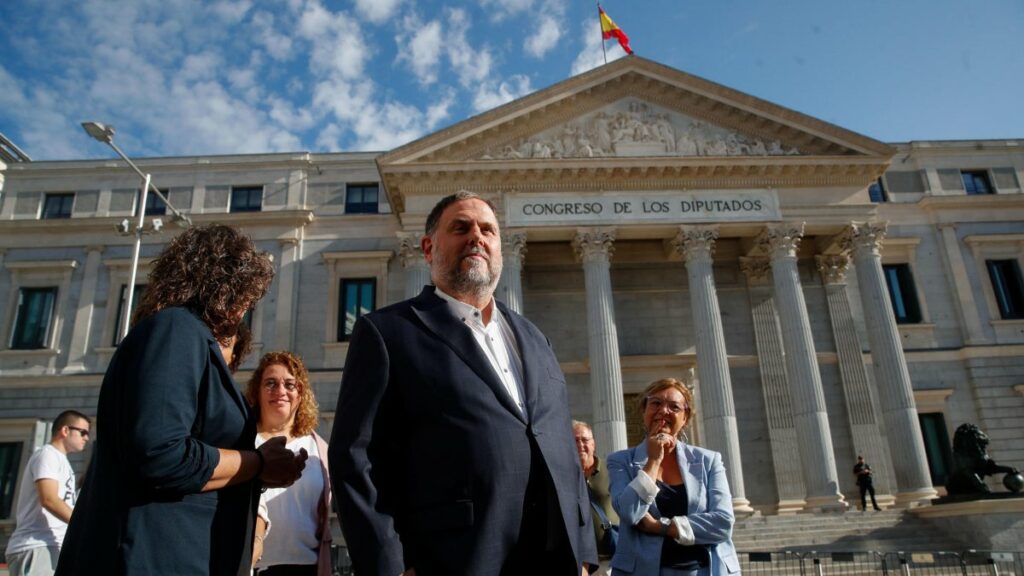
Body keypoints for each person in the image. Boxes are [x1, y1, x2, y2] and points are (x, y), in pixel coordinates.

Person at [330, 191, 598, 576]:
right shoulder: (387, 333)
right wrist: (389, 567)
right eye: (461, 228)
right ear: (427, 247)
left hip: (551, 560)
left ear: (500, 250)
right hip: (453, 559)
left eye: (488, 229)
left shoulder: (536, 339)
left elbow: (562, 452)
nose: (477, 236)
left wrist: (584, 555)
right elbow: (355, 458)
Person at [56, 224, 308, 576]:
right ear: (227, 285)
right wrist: (258, 463)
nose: (245, 310)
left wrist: (258, 471)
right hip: (151, 557)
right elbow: (161, 453)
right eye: (247, 296)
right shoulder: (176, 328)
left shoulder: (181, 334)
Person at [607, 379, 739, 576]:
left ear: (685, 417)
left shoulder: (709, 461)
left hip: (705, 570)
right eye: (656, 403)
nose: (663, 411)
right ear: (644, 411)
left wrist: (661, 527)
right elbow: (629, 512)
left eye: (674, 407)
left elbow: (723, 523)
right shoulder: (621, 461)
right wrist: (653, 460)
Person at [245, 351, 333, 576]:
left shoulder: (319, 450)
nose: (280, 391)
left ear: (301, 394)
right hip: (250, 567)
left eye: (290, 384)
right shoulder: (242, 442)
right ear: (257, 391)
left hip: (306, 569)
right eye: (270, 383)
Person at [4, 411, 90, 576]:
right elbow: (49, 499)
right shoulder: (47, 455)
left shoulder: (61, 461)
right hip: (36, 545)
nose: (86, 438)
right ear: (65, 430)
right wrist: (82, 524)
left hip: (50, 546)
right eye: (83, 432)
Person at [574, 420, 619, 576]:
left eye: (585, 440)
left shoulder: (612, 469)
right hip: (582, 562)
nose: (580, 445)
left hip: (614, 558)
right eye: (575, 440)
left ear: (593, 444)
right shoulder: (563, 476)